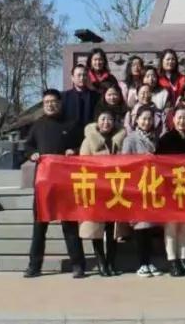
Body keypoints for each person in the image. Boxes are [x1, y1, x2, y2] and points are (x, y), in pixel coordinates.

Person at [24, 89, 85, 279]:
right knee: (39, 226)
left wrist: (74, 151)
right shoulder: (37, 125)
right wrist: (31, 154)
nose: (50, 104)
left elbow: (83, 145)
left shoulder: (72, 123)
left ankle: (78, 264)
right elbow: (28, 145)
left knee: (70, 226)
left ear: (60, 103)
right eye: (47, 102)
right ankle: (34, 266)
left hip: (66, 183)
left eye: (54, 101)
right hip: (44, 185)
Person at [78, 109, 126, 276]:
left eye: (110, 119)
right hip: (97, 189)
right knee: (96, 229)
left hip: (115, 189)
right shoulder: (88, 141)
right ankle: (101, 262)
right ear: (97, 122)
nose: (106, 122)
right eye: (103, 119)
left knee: (112, 229)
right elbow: (83, 165)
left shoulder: (121, 139)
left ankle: (111, 262)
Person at [157, 107, 185, 277]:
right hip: (171, 188)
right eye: (179, 117)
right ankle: (172, 260)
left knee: (184, 226)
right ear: (173, 120)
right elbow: (159, 164)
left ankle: (183, 259)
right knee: (171, 226)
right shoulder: (166, 139)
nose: (182, 121)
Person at [122, 106, 162, 276]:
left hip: (152, 186)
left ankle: (150, 261)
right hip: (136, 187)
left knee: (150, 227)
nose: (147, 122)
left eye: (149, 119)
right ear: (136, 120)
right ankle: (141, 263)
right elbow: (125, 163)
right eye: (143, 118)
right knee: (140, 227)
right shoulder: (130, 139)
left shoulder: (156, 138)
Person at [61, 65, 96, 134]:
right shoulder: (63, 97)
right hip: (69, 136)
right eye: (79, 75)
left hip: (90, 137)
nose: (82, 78)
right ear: (72, 78)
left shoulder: (96, 96)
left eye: (84, 75)